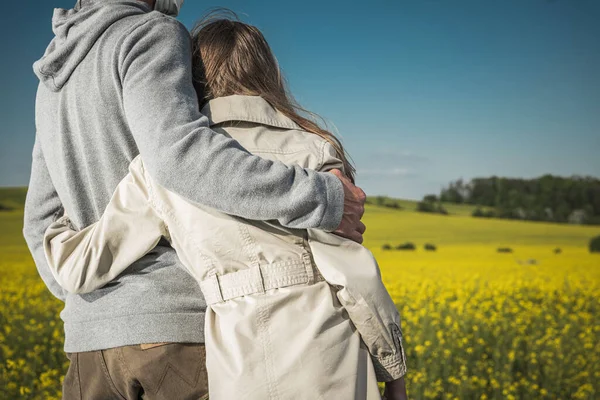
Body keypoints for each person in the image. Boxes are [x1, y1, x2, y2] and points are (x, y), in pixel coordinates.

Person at [42, 13, 409, 400]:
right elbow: (355, 278)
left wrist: (55, 225)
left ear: (190, 77)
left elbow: (82, 266)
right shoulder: (313, 149)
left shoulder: (156, 168)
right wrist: (394, 373)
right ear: (267, 72)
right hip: (328, 347)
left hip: (234, 360)